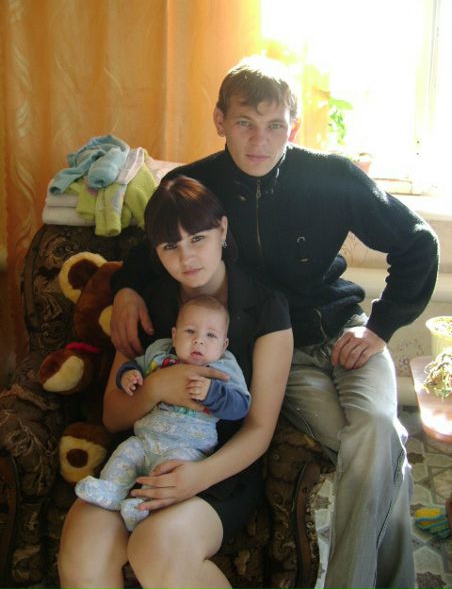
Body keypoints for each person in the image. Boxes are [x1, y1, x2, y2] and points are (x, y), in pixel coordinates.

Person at [108, 56, 440, 589]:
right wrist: (124, 288)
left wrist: (380, 327)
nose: (259, 141)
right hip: (282, 354)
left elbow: (419, 243)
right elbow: (155, 247)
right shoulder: (197, 183)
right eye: (244, 123)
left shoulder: (332, 178)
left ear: (295, 127)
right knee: (376, 452)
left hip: (347, 332)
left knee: (378, 432)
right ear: (220, 120)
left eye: (275, 126)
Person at [58, 176, 293, 589]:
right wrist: (156, 388)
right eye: (170, 246)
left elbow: (259, 428)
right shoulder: (145, 303)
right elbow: (113, 416)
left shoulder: (267, 308)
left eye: (198, 238)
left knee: (157, 547)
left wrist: (198, 477)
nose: (187, 258)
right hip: (139, 456)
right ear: (156, 250)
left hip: (220, 469)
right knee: (83, 553)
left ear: (222, 230)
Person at [75, 294, 251, 532]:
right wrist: (128, 376)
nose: (199, 341)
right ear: (174, 336)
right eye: (190, 331)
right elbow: (133, 365)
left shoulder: (225, 366)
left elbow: (241, 406)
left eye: (211, 335)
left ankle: (142, 505)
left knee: (169, 471)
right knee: (126, 451)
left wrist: (213, 393)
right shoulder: (159, 353)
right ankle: (111, 489)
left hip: (187, 448)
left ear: (223, 345)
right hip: (145, 439)